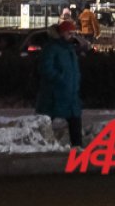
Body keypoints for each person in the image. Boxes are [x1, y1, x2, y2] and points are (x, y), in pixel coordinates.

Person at [36, 19, 84, 147]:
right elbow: (46, 68)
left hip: (69, 92)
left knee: (75, 120)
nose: (72, 35)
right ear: (62, 33)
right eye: (69, 32)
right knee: (48, 121)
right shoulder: (53, 47)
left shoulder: (69, 49)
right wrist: (59, 78)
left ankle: (77, 147)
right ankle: (43, 147)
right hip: (56, 93)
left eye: (73, 33)